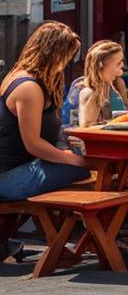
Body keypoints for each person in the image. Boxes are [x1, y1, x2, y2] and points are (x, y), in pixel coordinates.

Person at [0, 23, 88, 202]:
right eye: (66, 57)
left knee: (86, 164)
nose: (66, 64)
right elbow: (33, 144)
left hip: (22, 169)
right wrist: (69, 158)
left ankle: (59, 227)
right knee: (90, 167)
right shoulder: (28, 88)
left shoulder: (24, 76)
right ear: (53, 54)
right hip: (8, 177)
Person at [77, 40, 125, 128]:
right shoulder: (90, 92)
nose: (120, 72)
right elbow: (87, 128)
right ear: (101, 66)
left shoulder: (111, 87)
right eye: (118, 64)